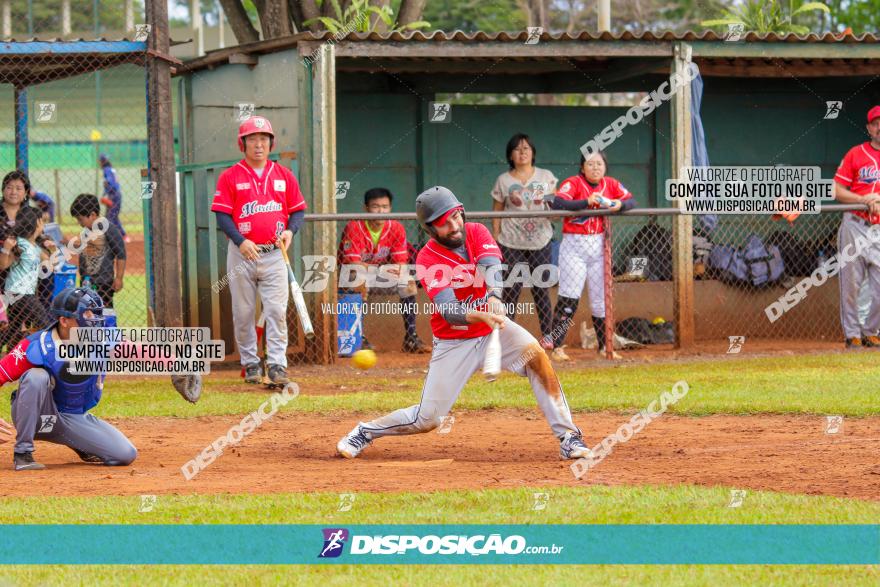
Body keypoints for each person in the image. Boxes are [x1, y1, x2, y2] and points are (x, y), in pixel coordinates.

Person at [336, 186, 592, 461]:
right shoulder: (427, 257)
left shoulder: (476, 232)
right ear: (430, 229)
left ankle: (569, 437)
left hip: (494, 329)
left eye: (456, 216)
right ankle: (365, 431)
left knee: (537, 358)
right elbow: (448, 310)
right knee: (427, 419)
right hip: (454, 341)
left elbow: (491, 265)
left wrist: (493, 296)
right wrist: (480, 313)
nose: (454, 225)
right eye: (444, 222)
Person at [211, 116, 307, 385]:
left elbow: (297, 211)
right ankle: (251, 363)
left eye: (263, 139)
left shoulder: (284, 175)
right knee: (243, 312)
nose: (258, 144)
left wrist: (290, 231)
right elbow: (222, 215)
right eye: (252, 139)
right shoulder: (230, 176)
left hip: (275, 254)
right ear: (242, 144)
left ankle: (277, 364)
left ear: (270, 143)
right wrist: (241, 240)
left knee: (276, 310)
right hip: (242, 254)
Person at [2, 286, 137, 470]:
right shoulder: (37, 345)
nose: (93, 321)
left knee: (125, 454)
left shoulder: (101, 339)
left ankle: (79, 442)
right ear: (64, 320)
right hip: (38, 417)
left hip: (72, 417)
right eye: (86, 315)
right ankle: (23, 453)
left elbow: (139, 351)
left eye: (94, 314)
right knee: (36, 377)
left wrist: (174, 363)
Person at [547, 151, 634, 361]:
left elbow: (631, 201)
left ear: (605, 166)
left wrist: (620, 205)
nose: (595, 168)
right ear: (582, 167)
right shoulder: (574, 183)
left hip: (599, 246)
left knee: (600, 301)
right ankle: (557, 348)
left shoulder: (611, 184)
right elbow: (558, 203)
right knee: (569, 298)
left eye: (599, 164)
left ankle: (605, 347)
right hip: (574, 246)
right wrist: (587, 201)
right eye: (590, 164)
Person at [336, 187, 429, 353]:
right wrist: (382, 269)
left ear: (390, 208)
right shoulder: (354, 226)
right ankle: (359, 337)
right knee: (359, 276)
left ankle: (411, 337)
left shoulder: (396, 227)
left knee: (407, 281)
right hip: (349, 279)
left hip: (378, 275)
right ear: (366, 208)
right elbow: (353, 263)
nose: (381, 211)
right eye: (375, 206)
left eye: (385, 207)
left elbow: (400, 264)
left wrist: (386, 270)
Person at [491, 133, 558, 349]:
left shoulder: (545, 176)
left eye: (526, 148)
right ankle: (507, 339)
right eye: (517, 149)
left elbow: (555, 204)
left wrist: (547, 201)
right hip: (510, 240)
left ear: (533, 153)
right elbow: (497, 211)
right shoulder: (504, 180)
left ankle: (548, 336)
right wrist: (496, 238)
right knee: (511, 289)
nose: (522, 152)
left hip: (540, 238)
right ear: (510, 154)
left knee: (541, 288)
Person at [833, 105, 880, 349]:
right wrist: (864, 199)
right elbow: (837, 190)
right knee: (850, 284)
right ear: (869, 128)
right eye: (876, 123)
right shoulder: (856, 153)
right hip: (855, 224)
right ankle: (852, 334)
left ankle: (871, 332)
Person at [0, 206, 53, 349]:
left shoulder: (34, 246)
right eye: (42, 222)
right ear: (36, 223)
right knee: (45, 324)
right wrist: (5, 249)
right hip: (18, 293)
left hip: (22, 294)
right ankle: (54, 358)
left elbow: (49, 266)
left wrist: (52, 250)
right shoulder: (20, 243)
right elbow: (3, 265)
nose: (43, 225)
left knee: (14, 330)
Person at [70, 194, 126, 309]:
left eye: (80, 219)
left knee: (104, 312)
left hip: (103, 283)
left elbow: (121, 254)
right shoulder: (87, 231)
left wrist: (119, 278)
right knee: (87, 314)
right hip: (86, 281)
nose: (79, 223)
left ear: (93, 215)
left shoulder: (109, 229)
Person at [98, 153, 128, 243]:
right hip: (116, 194)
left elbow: (110, 183)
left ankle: (115, 237)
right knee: (112, 217)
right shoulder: (111, 169)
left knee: (111, 218)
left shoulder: (106, 169)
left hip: (113, 195)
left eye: (100, 161)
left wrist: (107, 193)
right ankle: (123, 236)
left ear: (102, 162)